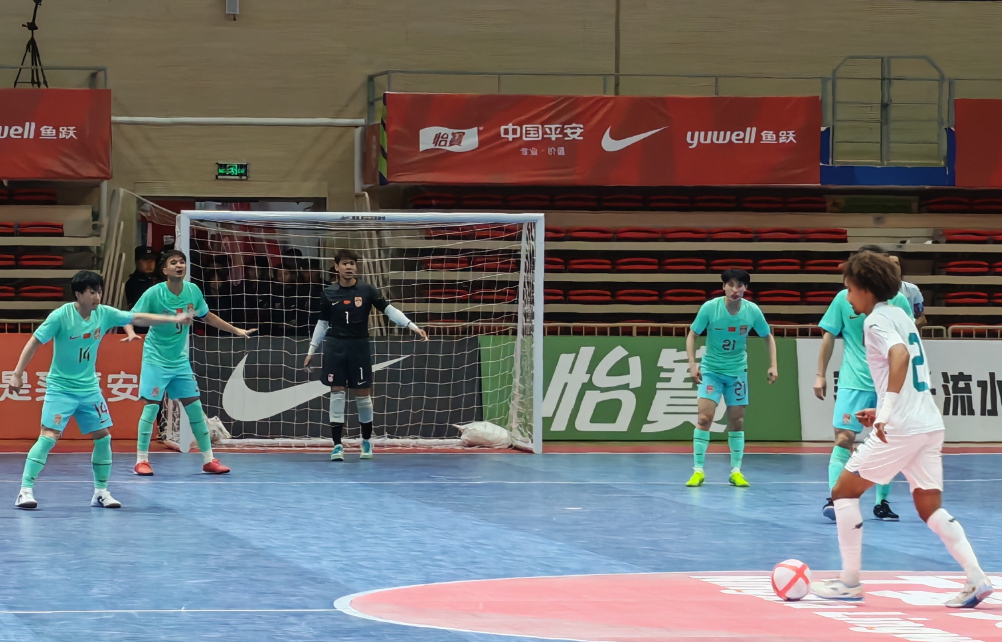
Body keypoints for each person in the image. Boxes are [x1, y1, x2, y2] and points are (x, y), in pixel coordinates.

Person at [810, 251, 992, 608]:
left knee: (843, 492)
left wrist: (887, 413)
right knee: (929, 507)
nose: (847, 296)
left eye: (850, 289)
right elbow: (907, 369)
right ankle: (976, 578)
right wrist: (882, 407)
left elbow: (900, 356)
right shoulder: (903, 316)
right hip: (928, 424)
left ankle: (849, 582)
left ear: (865, 289)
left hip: (901, 427)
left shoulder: (875, 321)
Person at [12, 271, 190, 510]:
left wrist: (172, 319)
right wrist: (17, 373)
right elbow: (34, 341)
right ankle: (25, 490)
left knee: (103, 437)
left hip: (89, 389)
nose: (97, 296)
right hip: (61, 388)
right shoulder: (61, 316)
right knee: (48, 437)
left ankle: (100, 492)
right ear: (78, 294)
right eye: (92, 292)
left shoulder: (104, 313)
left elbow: (137, 317)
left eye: (99, 291)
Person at [127, 250, 257, 476]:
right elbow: (131, 316)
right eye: (173, 262)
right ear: (164, 270)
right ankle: (141, 460)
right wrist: (131, 333)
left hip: (179, 361)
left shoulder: (193, 291)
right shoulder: (154, 293)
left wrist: (235, 329)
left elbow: (207, 316)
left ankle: (208, 460)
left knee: (195, 408)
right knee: (151, 407)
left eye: (182, 262)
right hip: (155, 359)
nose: (179, 265)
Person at [816, 246, 916, 522]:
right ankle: (836, 499)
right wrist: (819, 374)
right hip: (853, 381)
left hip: (885, 384)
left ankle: (881, 502)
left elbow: (907, 346)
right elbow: (829, 336)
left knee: (886, 441)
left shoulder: (898, 302)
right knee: (843, 438)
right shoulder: (843, 299)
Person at [303, 249, 428, 461]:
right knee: (337, 394)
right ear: (337, 267)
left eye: (352, 263)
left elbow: (388, 309)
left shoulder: (367, 290)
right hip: (335, 347)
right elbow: (322, 323)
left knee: (363, 396)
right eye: (345, 263)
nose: (349, 267)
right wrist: (311, 350)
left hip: (359, 346)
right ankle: (337, 445)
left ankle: (366, 441)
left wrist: (412, 326)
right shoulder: (328, 292)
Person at [685, 268, 777, 488]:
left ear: (746, 288)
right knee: (704, 418)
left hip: (737, 372)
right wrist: (692, 364)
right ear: (723, 286)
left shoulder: (752, 311)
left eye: (740, 285)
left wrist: (773, 365)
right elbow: (692, 335)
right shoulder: (710, 308)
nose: (736, 289)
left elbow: (767, 336)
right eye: (731, 285)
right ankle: (698, 470)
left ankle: (736, 471)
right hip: (711, 371)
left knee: (737, 422)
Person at [125, 246, 160, 335]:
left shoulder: (159, 279)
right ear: (137, 262)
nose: (149, 264)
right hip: (142, 327)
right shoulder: (134, 283)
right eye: (145, 260)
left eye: (152, 260)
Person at [887, 252, 927, 330]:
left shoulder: (912, 290)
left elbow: (922, 319)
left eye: (896, 263)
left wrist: (911, 324)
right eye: (889, 264)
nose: (893, 267)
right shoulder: (876, 290)